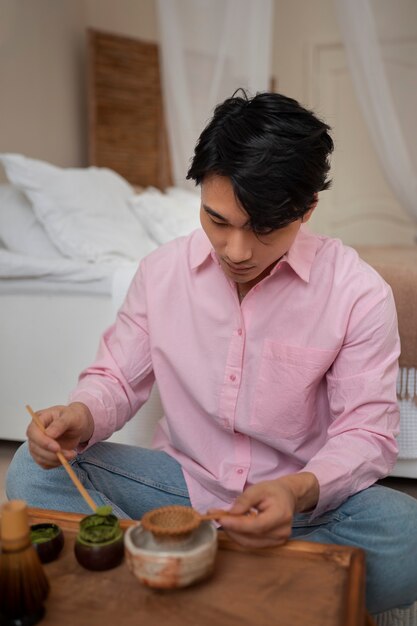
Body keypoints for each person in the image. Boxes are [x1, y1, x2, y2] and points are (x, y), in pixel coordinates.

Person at [6, 91, 417, 615]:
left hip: (299, 506)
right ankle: (252, 584)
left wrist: (295, 491)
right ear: (201, 191)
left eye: (264, 229)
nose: (237, 252)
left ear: (307, 208)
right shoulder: (160, 273)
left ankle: (179, 573)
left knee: (406, 536)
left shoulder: (358, 293)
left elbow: (366, 432)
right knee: (30, 472)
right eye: (218, 220)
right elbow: (116, 377)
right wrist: (80, 415)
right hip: (182, 490)